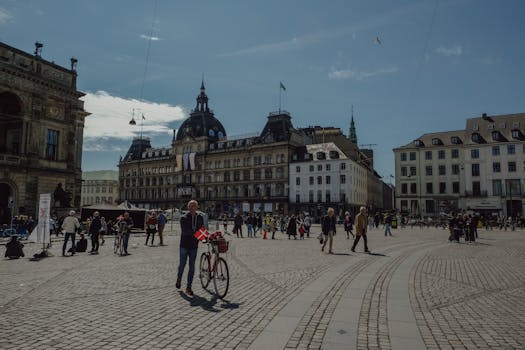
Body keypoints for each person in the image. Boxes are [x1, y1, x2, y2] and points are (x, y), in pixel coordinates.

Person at [176, 200, 204, 297]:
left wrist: (206, 237)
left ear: (197, 207)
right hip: (184, 245)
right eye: (190, 206)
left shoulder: (200, 217)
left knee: (192, 267)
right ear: (188, 207)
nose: (192, 208)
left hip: (194, 246)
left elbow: (202, 229)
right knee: (182, 265)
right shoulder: (183, 218)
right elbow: (185, 231)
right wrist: (198, 234)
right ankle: (179, 278)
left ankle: (189, 287)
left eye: (194, 206)